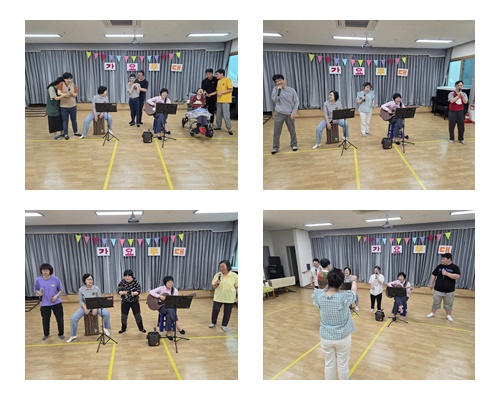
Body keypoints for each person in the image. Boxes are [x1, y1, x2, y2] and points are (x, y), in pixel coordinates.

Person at [312, 268, 357, 380]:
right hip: (343, 337)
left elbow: (323, 289)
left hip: (326, 337)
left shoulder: (319, 295)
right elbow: (354, 291)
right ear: (341, 283)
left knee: (329, 364)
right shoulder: (345, 296)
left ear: (328, 281)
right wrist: (354, 280)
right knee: (343, 364)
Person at [67, 273, 111, 343]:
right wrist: (85, 308)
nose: (90, 281)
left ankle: (105, 328)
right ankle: (73, 335)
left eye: (91, 279)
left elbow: (99, 299)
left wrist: (95, 308)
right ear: (85, 281)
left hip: (96, 306)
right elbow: (81, 301)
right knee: (73, 318)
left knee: (106, 313)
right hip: (85, 306)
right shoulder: (81, 289)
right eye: (88, 279)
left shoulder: (96, 288)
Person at [34, 263, 65, 341]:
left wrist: (56, 296)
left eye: (47, 270)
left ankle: (61, 333)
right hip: (44, 304)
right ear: (41, 271)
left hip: (56, 302)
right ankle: (46, 334)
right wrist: (39, 292)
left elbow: (60, 289)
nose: (45, 272)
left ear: (50, 271)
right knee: (45, 320)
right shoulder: (38, 280)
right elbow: (36, 289)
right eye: (43, 270)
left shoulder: (55, 279)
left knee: (60, 319)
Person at [427, 253, 461, 321]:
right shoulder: (439, 266)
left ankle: (448, 315)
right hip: (438, 289)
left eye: (444, 259)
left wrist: (447, 274)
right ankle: (432, 313)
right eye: (442, 259)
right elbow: (433, 274)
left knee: (448, 304)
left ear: (449, 259)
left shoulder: (455, 267)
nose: (442, 260)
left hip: (449, 290)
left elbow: (457, 276)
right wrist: (431, 283)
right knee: (435, 302)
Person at [271, 74, 299, 154]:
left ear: (284, 80)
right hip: (279, 113)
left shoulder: (291, 90)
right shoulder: (275, 89)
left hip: (289, 114)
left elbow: (296, 102)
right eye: (277, 81)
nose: (279, 82)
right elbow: (275, 100)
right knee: (276, 132)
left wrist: (293, 112)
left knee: (292, 130)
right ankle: (275, 147)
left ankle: (294, 144)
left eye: (280, 80)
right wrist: (279, 91)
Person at [209, 260, 238, 332]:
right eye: (220, 267)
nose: (221, 268)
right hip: (218, 297)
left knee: (227, 312)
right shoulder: (217, 275)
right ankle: (213, 322)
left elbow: (237, 286)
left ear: (228, 266)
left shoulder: (234, 276)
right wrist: (216, 284)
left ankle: (224, 325)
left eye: (223, 267)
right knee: (215, 310)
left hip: (229, 297)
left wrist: (238, 297)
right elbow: (213, 286)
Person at [117, 269, 146, 334]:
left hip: (134, 302)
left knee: (137, 315)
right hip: (125, 302)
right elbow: (118, 291)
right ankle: (123, 328)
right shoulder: (122, 282)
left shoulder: (135, 282)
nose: (127, 277)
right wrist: (122, 292)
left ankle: (141, 328)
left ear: (132, 276)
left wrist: (134, 293)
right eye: (125, 276)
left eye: (128, 276)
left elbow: (139, 290)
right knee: (124, 316)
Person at [56, 72, 80, 139]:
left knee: (74, 120)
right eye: (67, 79)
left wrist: (71, 93)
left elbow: (75, 95)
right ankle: (66, 134)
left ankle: (76, 132)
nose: (69, 80)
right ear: (64, 79)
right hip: (64, 107)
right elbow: (58, 93)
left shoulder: (73, 85)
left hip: (73, 106)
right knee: (65, 121)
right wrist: (65, 94)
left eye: (70, 79)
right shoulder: (61, 84)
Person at [214, 69, 233, 135]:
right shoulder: (219, 81)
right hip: (219, 100)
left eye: (217, 74)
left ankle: (229, 128)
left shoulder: (228, 79)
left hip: (226, 100)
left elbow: (231, 89)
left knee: (226, 115)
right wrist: (211, 94)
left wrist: (222, 92)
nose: (216, 75)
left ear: (222, 74)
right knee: (218, 114)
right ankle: (218, 126)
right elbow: (217, 91)